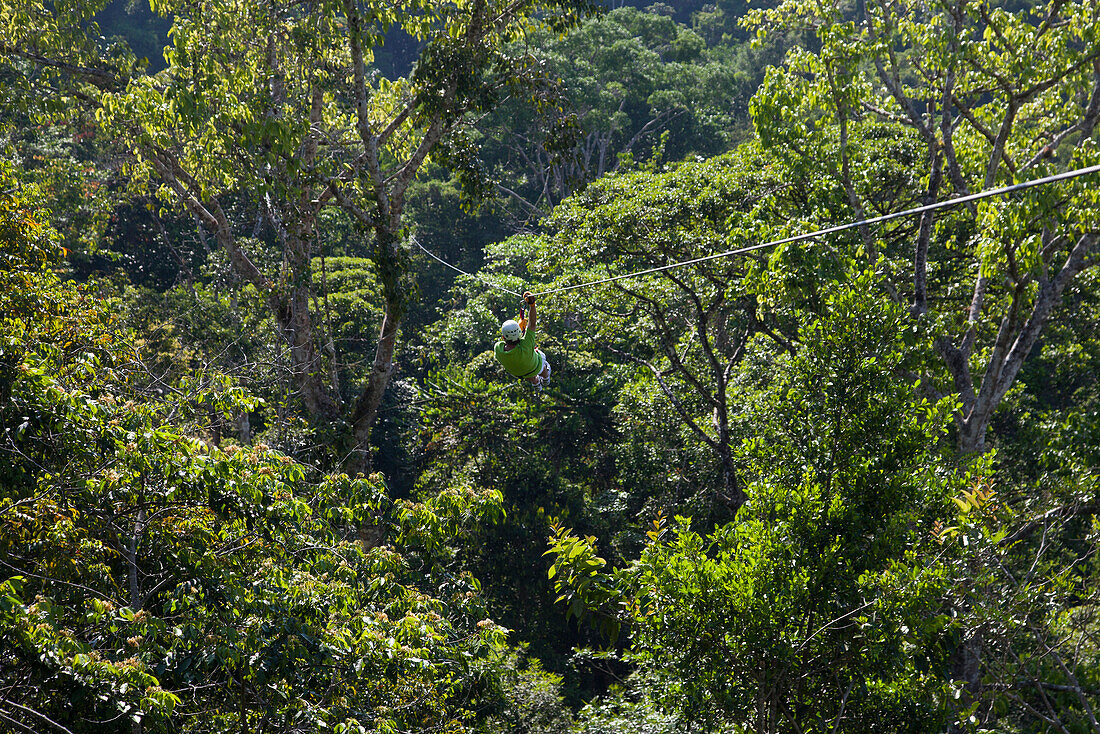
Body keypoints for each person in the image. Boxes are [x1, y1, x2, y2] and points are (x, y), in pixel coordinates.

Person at [495, 291, 551, 389]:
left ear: (504, 337)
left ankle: (535, 382)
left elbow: (511, 341)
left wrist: (519, 328)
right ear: (520, 333)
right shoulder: (526, 343)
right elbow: (532, 324)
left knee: (523, 367)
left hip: (518, 373)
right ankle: (545, 378)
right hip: (534, 367)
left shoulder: (498, 348)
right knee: (541, 356)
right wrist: (532, 305)